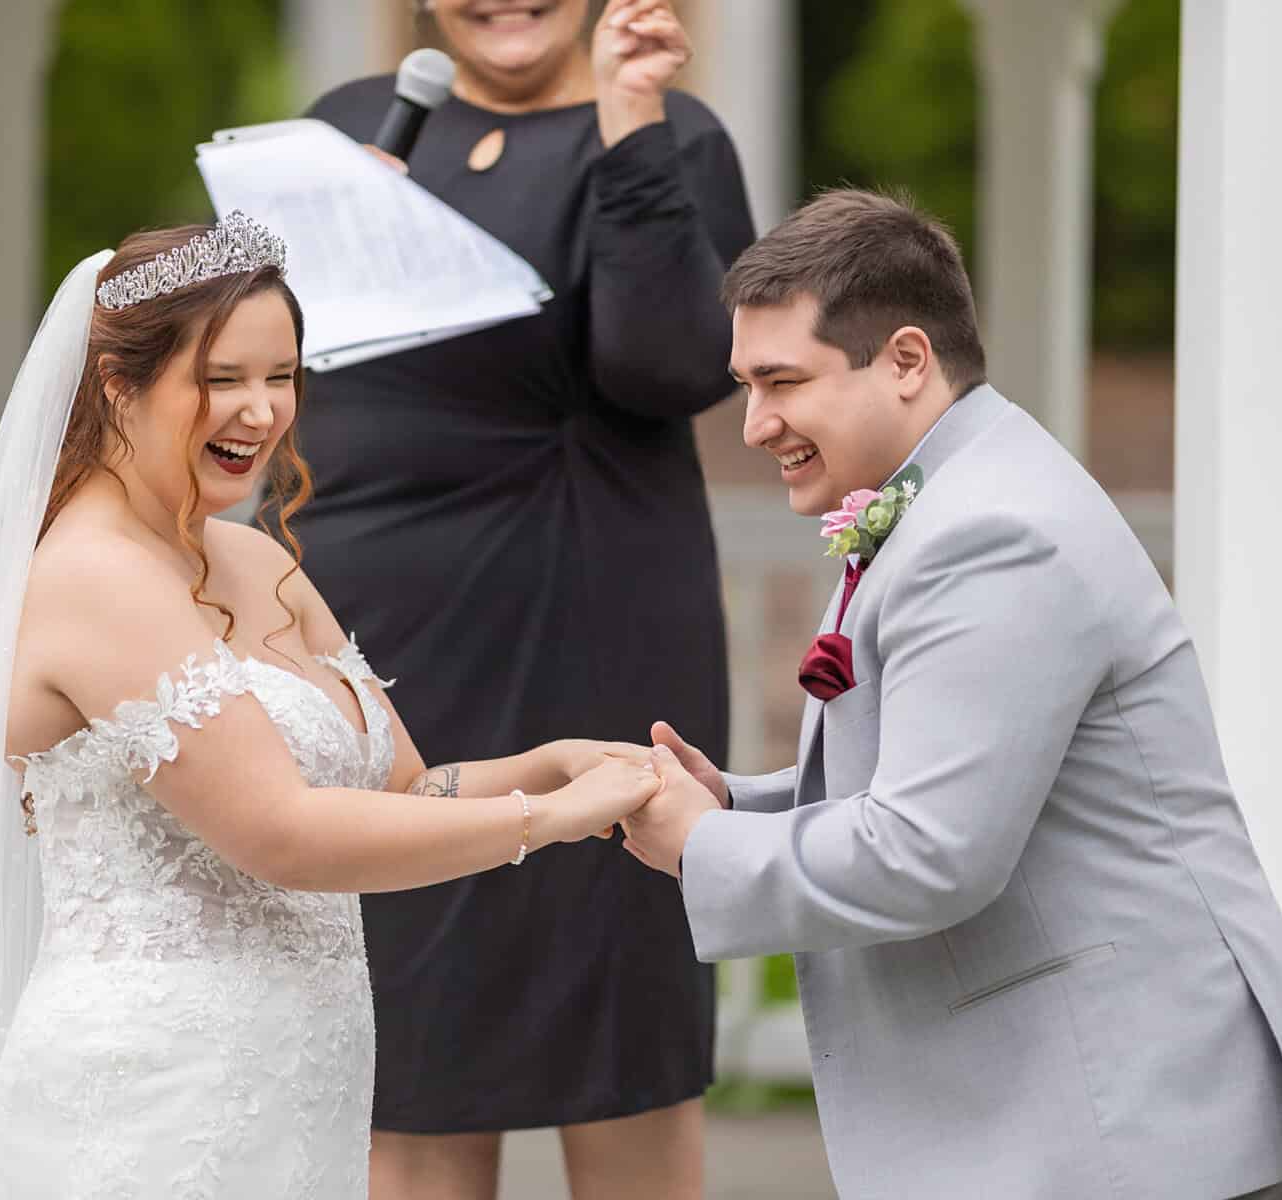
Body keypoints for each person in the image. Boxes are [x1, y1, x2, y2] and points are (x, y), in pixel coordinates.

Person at [0, 214, 664, 1200]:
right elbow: (281, 832)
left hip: (299, 1087)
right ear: (118, 385)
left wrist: (551, 763)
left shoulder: (259, 562)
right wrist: (546, 822)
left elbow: (403, 785)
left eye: (283, 377)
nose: (262, 412)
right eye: (223, 378)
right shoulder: (93, 576)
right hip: (154, 1102)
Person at [622, 190, 1282, 1199]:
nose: (755, 424)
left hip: (1128, 1122)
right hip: (1085, 1109)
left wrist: (700, 846)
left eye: (783, 380)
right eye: (746, 384)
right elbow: (950, 768)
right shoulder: (948, 495)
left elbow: (930, 852)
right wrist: (738, 802)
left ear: (909, 361)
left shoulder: (991, 531)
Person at [297, 3, 753, 1195]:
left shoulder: (673, 131)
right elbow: (251, 370)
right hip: (372, 634)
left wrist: (631, 120)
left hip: (586, 610)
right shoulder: (345, 128)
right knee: (412, 1034)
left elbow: (668, 365)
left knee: (611, 1001)